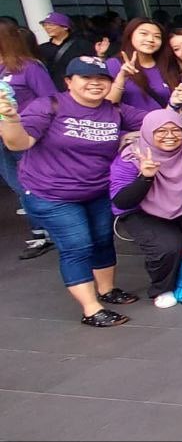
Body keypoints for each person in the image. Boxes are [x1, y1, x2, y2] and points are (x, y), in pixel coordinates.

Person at [0, 56, 147, 327]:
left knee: (103, 240)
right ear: (69, 82)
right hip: (51, 193)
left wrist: (137, 134)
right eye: (86, 78)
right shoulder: (49, 106)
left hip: (96, 189)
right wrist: (10, 118)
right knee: (77, 246)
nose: (95, 84)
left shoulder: (114, 110)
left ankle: (107, 290)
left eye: (102, 78)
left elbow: (155, 121)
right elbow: (18, 142)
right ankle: (91, 309)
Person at [109, 109, 182, 307]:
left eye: (176, 130)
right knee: (169, 248)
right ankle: (164, 287)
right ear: (148, 131)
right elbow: (121, 201)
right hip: (142, 210)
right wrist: (145, 177)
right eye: (161, 131)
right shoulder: (131, 157)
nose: (170, 136)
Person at [0, 21, 58, 258]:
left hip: (27, 133)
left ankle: (51, 230)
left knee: (35, 182)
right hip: (3, 137)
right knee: (18, 186)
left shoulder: (28, 67)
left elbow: (50, 99)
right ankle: (39, 230)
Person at [106, 18, 182, 112]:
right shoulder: (114, 64)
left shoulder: (168, 65)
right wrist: (121, 79)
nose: (151, 39)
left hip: (165, 124)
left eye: (157, 36)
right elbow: (107, 105)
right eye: (144, 34)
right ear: (130, 35)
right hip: (131, 125)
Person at [37, 12, 93, 92]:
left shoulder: (82, 45)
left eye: (51, 25)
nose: (47, 27)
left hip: (79, 89)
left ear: (65, 27)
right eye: (45, 25)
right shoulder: (42, 48)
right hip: (54, 91)